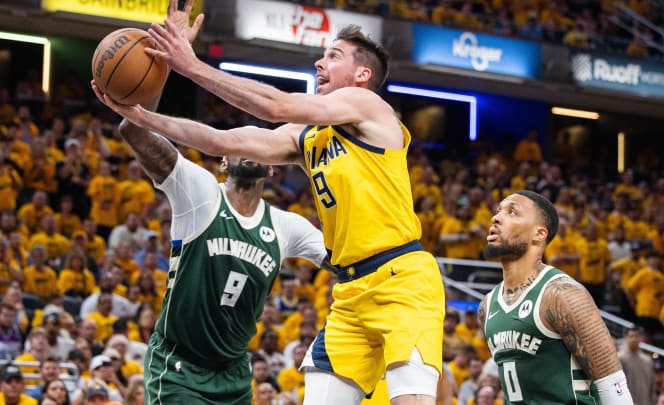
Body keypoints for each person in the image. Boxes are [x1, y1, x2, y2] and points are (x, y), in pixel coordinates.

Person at [93, 14, 445, 405]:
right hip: (351, 293)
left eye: (333, 56)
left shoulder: (370, 107)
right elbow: (220, 140)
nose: (319, 63)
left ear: (362, 74)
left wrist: (189, 65)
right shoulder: (306, 138)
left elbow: (276, 105)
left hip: (402, 279)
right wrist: (143, 118)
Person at [96, 2, 330, 404]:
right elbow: (134, 135)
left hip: (234, 373)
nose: (250, 146)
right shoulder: (200, 191)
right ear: (223, 158)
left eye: (260, 143)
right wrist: (159, 70)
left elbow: (346, 262)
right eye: (239, 140)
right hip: (180, 366)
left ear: (274, 167)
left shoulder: (288, 227)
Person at [477, 190, 633, 404]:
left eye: (512, 212)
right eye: (498, 211)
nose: (496, 218)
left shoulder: (563, 295)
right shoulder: (487, 305)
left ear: (539, 234)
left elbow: (612, 383)